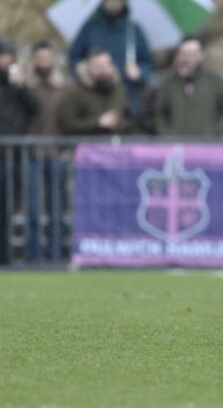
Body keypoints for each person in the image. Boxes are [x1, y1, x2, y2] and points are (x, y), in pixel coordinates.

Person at [68, 0, 152, 118]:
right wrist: (85, 71)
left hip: (129, 98)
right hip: (94, 101)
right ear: (103, 2)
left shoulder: (134, 31)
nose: (113, 3)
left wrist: (139, 72)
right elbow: (74, 59)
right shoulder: (90, 29)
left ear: (122, 1)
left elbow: (148, 63)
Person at [26, 41, 70, 261]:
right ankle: (33, 257)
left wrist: (65, 146)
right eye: (40, 58)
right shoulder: (25, 87)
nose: (44, 62)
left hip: (56, 153)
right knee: (33, 210)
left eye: (47, 58)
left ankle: (55, 255)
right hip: (31, 154)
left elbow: (70, 120)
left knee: (57, 208)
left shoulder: (64, 88)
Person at [0, 36, 40, 265]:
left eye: (9, 56)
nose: (6, 61)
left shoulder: (18, 86)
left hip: (13, 156)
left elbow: (36, 108)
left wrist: (22, 86)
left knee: (8, 208)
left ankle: (4, 257)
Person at [155, 35, 223, 137]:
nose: (187, 58)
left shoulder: (215, 81)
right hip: (176, 142)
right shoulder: (168, 82)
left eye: (192, 54)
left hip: (207, 142)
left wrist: (215, 132)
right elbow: (159, 112)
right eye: (184, 53)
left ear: (201, 55)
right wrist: (166, 134)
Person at [58, 49, 131, 135]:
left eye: (107, 65)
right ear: (88, 67)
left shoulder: (119, 91)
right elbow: (67, 124)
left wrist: (118, 123)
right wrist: (97, 123)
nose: (103, 70)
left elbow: (128, 119)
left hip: (116, 141)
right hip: (86, 141)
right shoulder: (75, 92)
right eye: (99, 66)